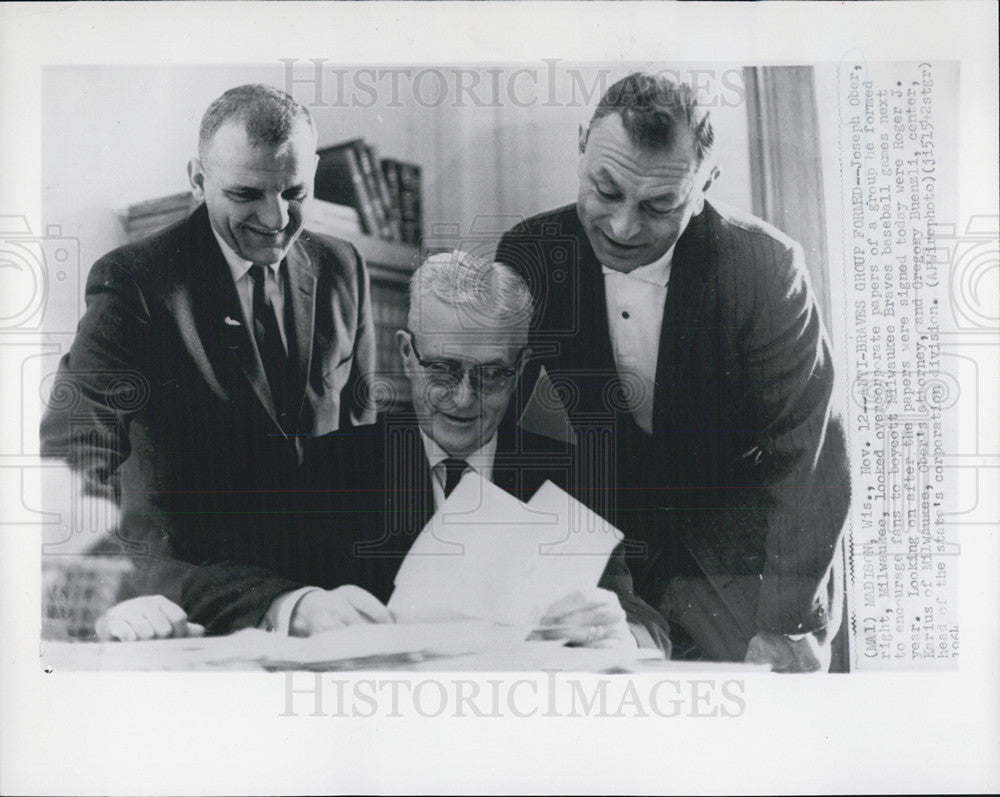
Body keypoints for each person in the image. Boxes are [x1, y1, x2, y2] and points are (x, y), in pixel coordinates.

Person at [102, 252, 671, 654]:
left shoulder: (568, 476)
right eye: (443, 369)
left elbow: (642, 617)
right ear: (405, 353)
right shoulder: (331, 467)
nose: (464, 399)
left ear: (520, 368)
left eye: (492, 375)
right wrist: (298, 606)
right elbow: (215, 579)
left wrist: (622, 632)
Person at [495, 72, 850, 672]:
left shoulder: (766, 266)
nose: (623, 227)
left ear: (707, 183)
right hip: (596, 555)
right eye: (605, 191)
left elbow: (811, 458)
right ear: (582, 146)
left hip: (741, 572)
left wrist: (787, 622)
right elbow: (510, 437)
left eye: (661, 205)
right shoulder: (529, 254)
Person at [40, 84, 376, 605]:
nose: (276, 220)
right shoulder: (136, 281)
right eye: (246, 194)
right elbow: (73, 460)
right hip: (193, 600)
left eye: (294, 193)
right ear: (199, 180)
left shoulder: (342, 268)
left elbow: (363, 448)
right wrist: (109, 595)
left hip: (325, 602)